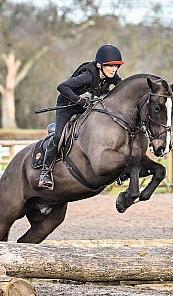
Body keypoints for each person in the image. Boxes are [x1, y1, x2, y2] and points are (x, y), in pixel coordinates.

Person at [38, 44, 124, 190]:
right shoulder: (87, 76)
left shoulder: (112, 77)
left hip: (87, 107)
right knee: (59, 136)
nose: (114, 69)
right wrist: (80, 101)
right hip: (68, 105)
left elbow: (123, 87)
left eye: (116, 66)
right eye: (110, 66)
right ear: (100, 65)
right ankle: (45, 173)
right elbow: (62, 87)